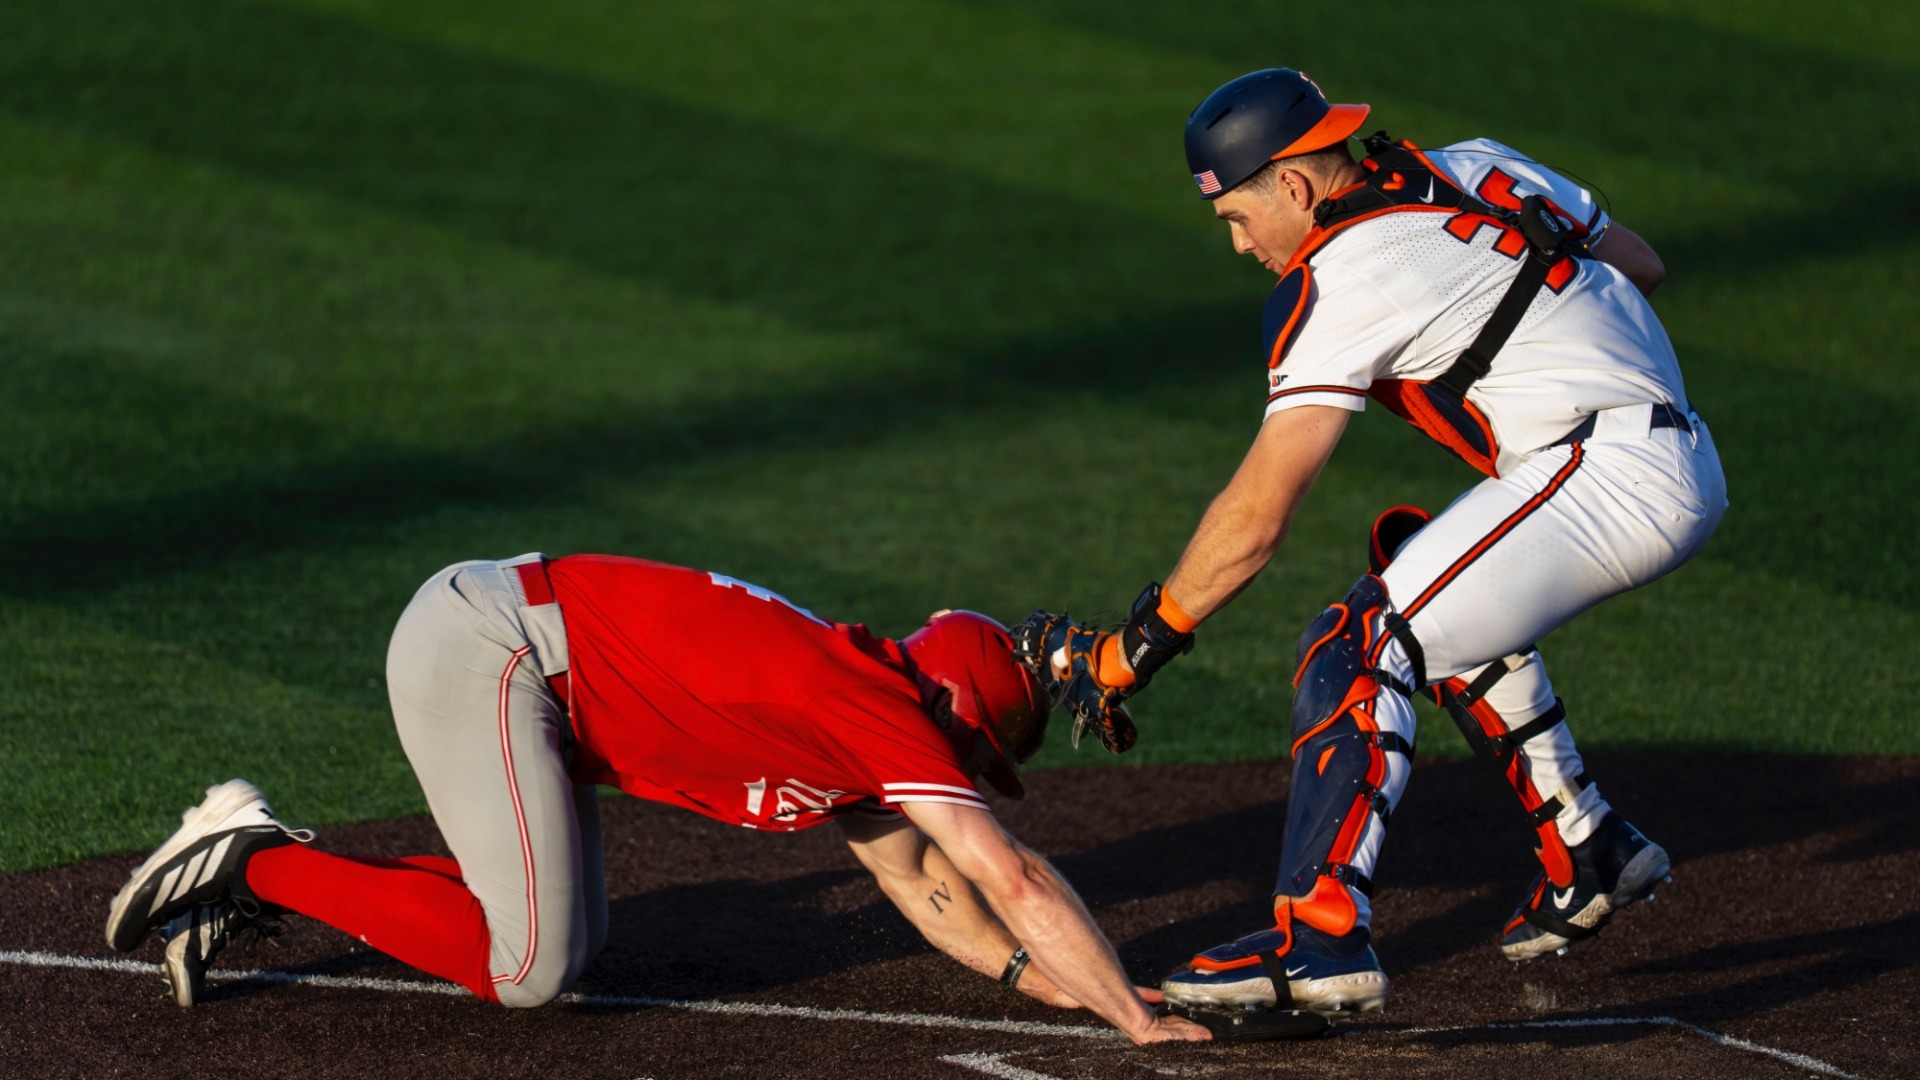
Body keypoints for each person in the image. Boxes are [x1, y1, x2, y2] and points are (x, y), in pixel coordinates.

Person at [1028, 69, 1726, 1017]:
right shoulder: (1476, 164)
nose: (1240, 243)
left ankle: (1319, 939)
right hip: (1668, 448)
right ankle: (1589, 844)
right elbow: (1638, 264)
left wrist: (1136, 646)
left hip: (1609, 473)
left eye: (1237, 216)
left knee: (1359, 642)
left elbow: (1259, 516)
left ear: (1297, 186)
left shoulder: (1339, 277)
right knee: (1414, 566)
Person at [104, 553, 1208, 1044]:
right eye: (977, 755)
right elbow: (996, 868)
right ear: (957, 714)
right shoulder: (876, 709)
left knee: (558, 945)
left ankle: (264, 858)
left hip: (525, 663)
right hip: (491, 650)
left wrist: (1041, 979)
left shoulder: (868, 705)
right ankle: (251, 858)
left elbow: (920, 885)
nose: (967, 774)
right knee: (525, 967)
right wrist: (1133, 1015)